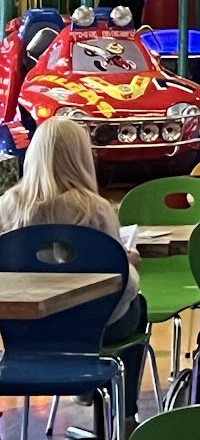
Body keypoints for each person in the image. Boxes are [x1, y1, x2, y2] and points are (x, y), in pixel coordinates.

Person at [0, 117, 147, 422]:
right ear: (81, 157)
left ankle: (88, 387)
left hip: (25, 333)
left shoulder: (7, 206)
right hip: (93, 326)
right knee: (138, 305)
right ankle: (124, 415)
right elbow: (121, 286)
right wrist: (128, 264)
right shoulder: (94, 209)